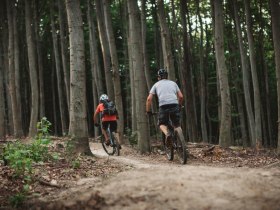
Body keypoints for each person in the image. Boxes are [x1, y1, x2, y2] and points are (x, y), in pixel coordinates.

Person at [146, 68, 183, 146]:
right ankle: (181, 141)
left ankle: (167, 134)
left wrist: (148, 111)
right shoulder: (173, 83)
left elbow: (149, 99)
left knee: (161, 123)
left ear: (159, 77)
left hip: (163, 106)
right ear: (167, 76)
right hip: (174, 104)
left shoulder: (156, 84)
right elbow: (181, 96)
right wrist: (179, 106)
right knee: (177, 124)